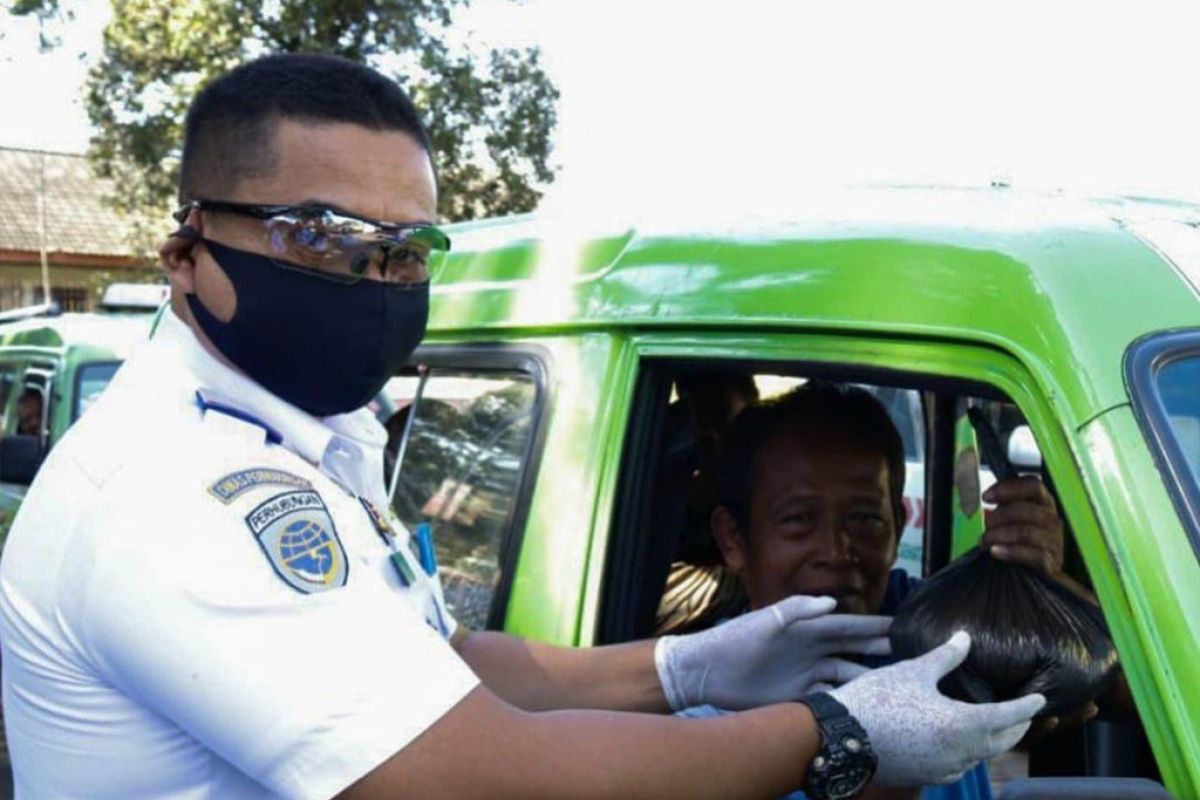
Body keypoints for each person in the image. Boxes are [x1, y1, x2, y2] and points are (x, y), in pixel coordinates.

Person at [0, 54, 1045, 800]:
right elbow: (473, 768)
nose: (379, 278)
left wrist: (685, 670)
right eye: (323, 239)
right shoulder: (177, 493)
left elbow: (441, 658)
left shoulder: (304, 433)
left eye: (408, 250)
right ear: (187, 249)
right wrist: (833, 733)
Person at [681, 381, 1077, 799]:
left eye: (865, 518)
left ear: (899, 522)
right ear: (733, 539)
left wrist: (1045, 586)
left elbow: (1115, 685)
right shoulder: (705, 710)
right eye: (799, 520)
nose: (836, 551)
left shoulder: (935, 630)